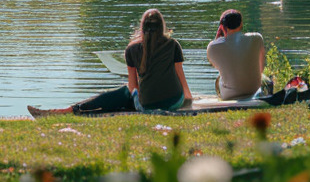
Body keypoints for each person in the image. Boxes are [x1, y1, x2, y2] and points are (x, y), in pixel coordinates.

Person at [30, 9, 192, 115]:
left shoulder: (131, 49)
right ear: (162, 26)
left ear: (142, 27)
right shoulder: (173, 44)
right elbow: (181, 77)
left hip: (147, 106)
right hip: (173, 101)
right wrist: (188, 98)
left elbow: (132, 87)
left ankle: (66, 110)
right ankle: (71, 110)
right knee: (123, 97)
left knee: (122, 94)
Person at [206, 9, 267, 100]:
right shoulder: (257, 38)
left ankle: (221, 98)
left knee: (219, 78)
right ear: (241, 23)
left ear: (222, 27)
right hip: (254, 90)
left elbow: (216, 65)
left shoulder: (212, 46)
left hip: (229, 95)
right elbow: (261, 68)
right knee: (265, 78)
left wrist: (217, 38)